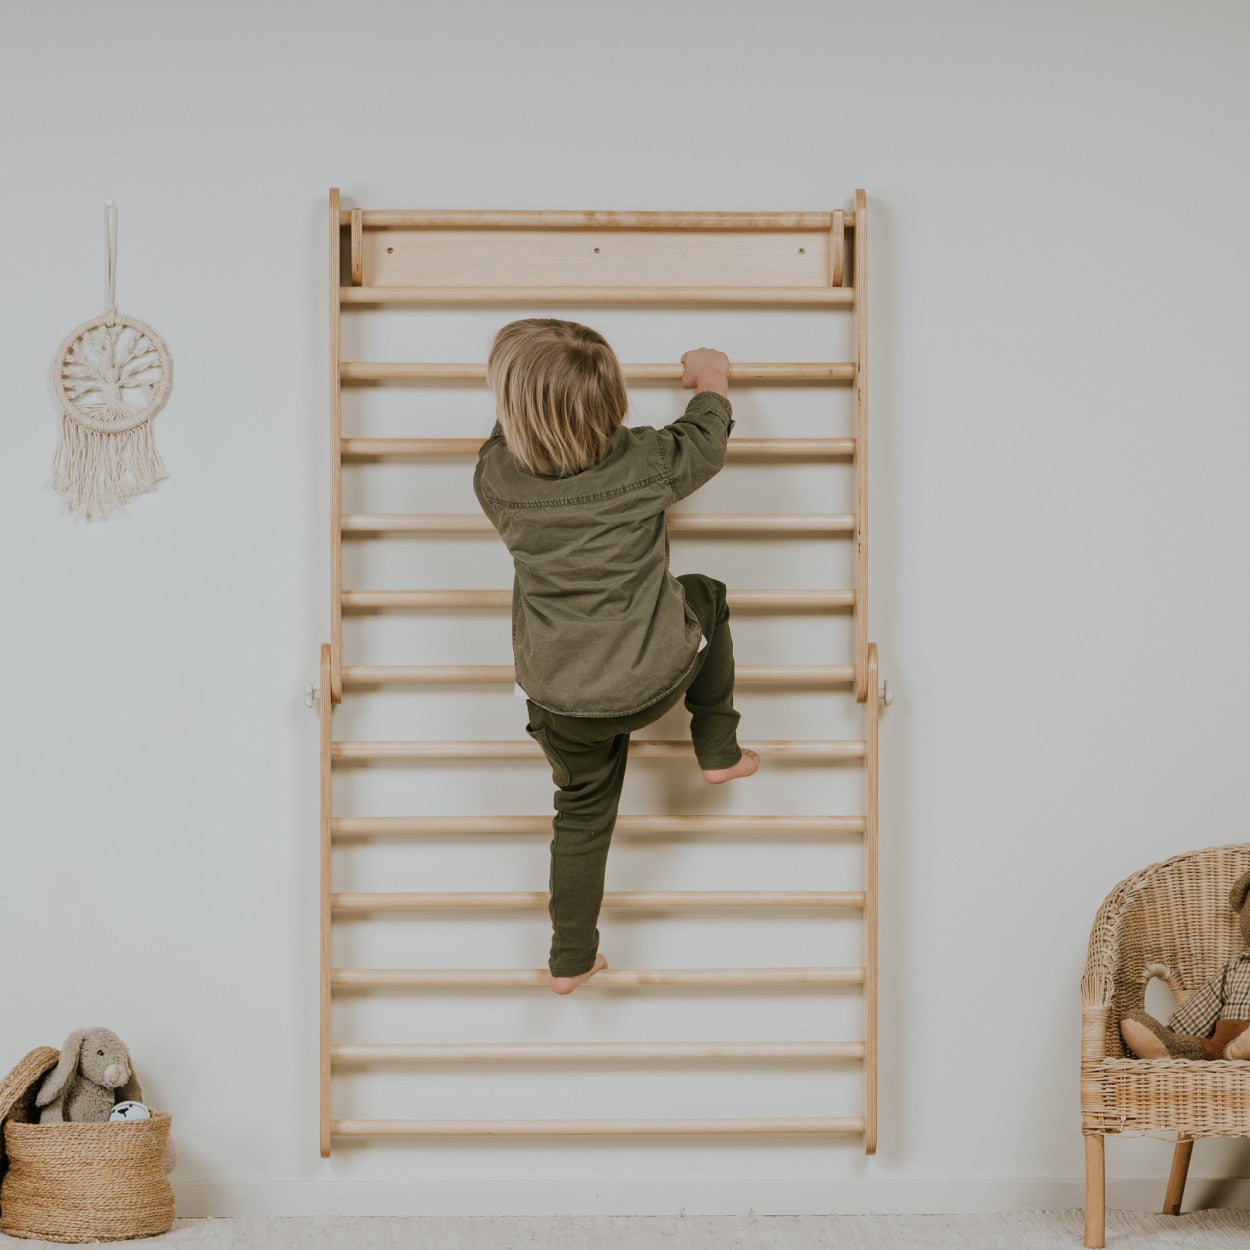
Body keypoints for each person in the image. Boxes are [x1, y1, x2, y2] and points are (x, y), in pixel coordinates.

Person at [473, 318, 760, 995]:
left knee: (580, 817)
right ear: (613, 404)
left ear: (512, 409)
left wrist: (528, 400)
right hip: (654, 678)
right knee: (707, 598)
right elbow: (705, 445)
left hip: (562, 699)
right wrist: (711, 379)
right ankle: (717, 747)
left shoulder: (495, 479)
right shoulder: (645, 461)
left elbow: (506, 432)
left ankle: (570, 960)